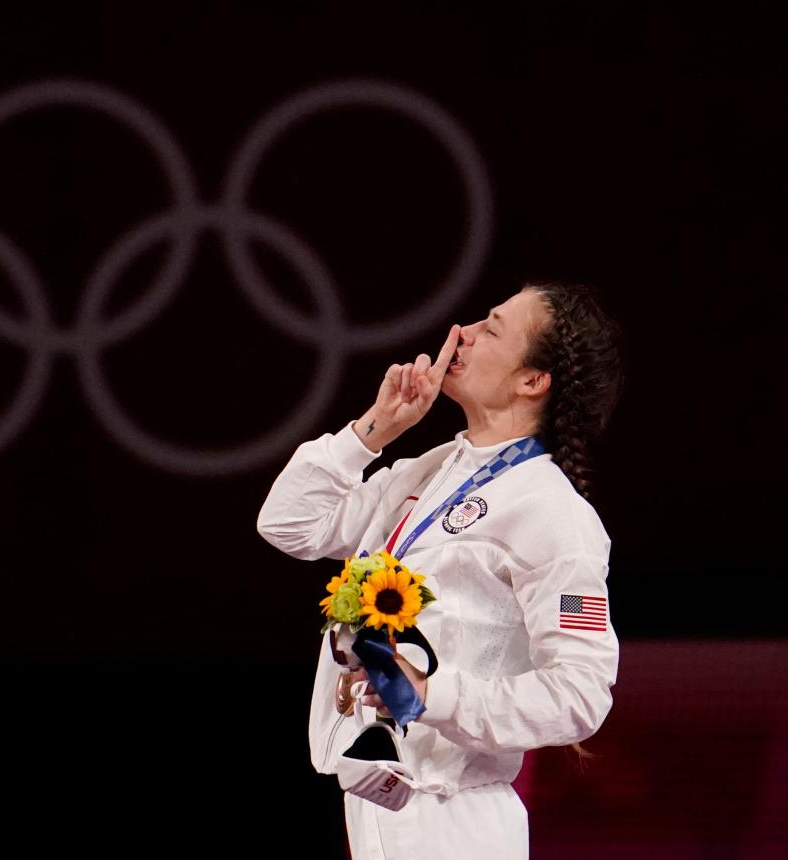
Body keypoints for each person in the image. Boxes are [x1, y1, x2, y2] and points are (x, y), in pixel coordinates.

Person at [256, 282, 625, 859]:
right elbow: (288, 525)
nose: (466, 333)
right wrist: (377, 427)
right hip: (383, 798)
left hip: (457, 818)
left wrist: (431, 694)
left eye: (493, 327)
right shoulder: (430, 471)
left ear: (532, 380)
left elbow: (580, 694)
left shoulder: (554, 515)